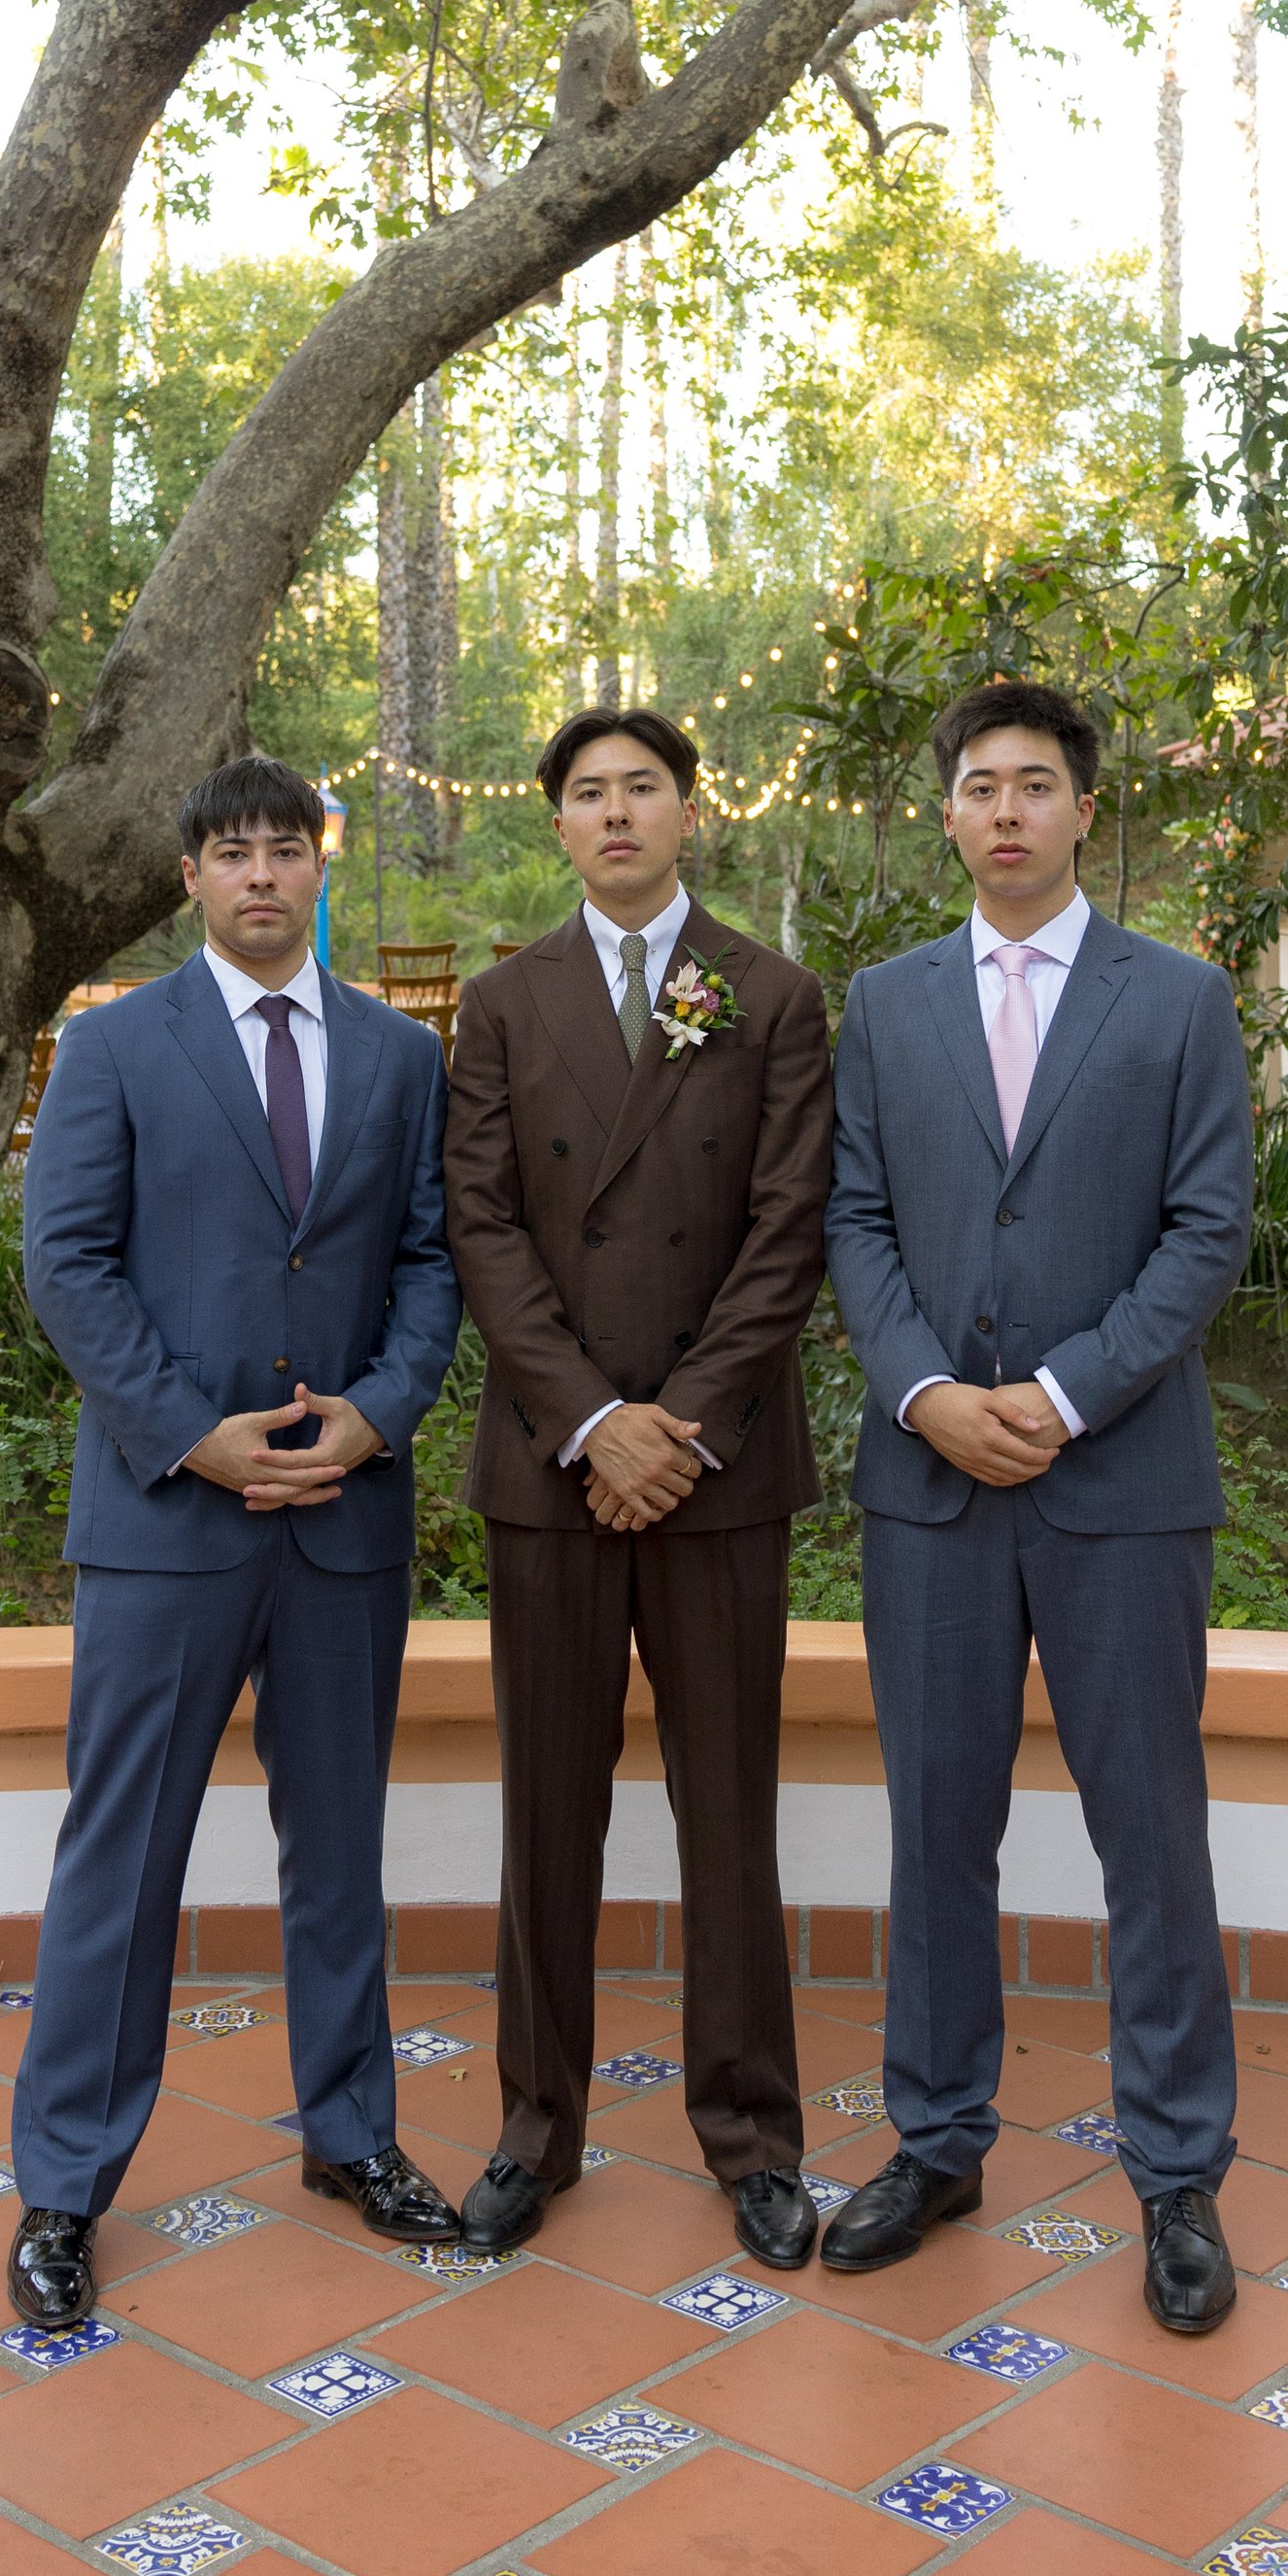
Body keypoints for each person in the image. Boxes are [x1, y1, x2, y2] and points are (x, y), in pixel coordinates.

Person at [6, 757, 463, 2329]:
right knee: (120, 1862)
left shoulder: (405, 1058)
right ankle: (65, 2183)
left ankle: (352, 2134)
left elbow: (428, 1264)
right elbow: (64, 1264)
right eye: (232, 851)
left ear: (318, 868)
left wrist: (380, 1414)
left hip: (344, 1519)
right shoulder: (116, 1044)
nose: (262, 874)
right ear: (192, 875)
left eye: (287, 849)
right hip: (166, 1523)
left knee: (338, 1856)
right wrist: (188, 1436)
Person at [821, 679, 1254, 2332]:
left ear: (1085, 809)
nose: (1006, 809)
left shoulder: (1179, 1000)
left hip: (1121, 1483)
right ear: (947, 814)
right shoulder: (888, 1001)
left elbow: (1206, 1230)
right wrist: (928, 1391)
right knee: (939, 1825)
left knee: (1149, 1832)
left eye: (1036, 785)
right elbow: (855, 1218)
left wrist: (1066, 1394)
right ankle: (936, 2138)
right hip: (930, 1486)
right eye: (979, 786)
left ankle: (1177, 2171)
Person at [443, 706, 835, 2269]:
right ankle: (537, 2122)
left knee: (728, 1811)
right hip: (553, 1474)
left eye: (642, 790)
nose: (617, 816)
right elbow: (482, 1226)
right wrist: (592, 1420)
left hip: (717, 1472)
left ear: (689, 813)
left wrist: (673, 1423)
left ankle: (752, 2134)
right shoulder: (498, 1004)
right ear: (558, 827)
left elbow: (787, 1231)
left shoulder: (772, 995)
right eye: (590, 795)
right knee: (549, 1812)